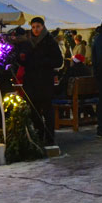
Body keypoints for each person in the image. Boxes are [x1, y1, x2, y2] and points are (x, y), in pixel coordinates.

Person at [18, 17, 63, 146]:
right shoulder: (27, 42)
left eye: (38, 26)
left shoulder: (50, 41)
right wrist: (21, 58)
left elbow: (58, 61)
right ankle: (39, 135)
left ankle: (49, 137)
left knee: (47, 110)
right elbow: (23, 60)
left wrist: (43, 62)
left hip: (44, 81)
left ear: (43, 27)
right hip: (31, 82)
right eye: (33, 27)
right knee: (34, 111)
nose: (35, 29)